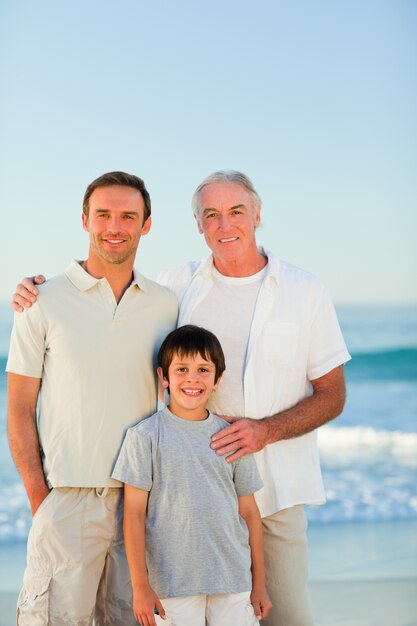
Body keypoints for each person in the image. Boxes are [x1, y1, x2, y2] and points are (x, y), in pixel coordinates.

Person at [12, 170, 351, 626]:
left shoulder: (297, 292)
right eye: (211, 214)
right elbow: (26, 398)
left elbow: (332, 394)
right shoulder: (174, 288)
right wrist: (33, 289)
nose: (224, 224)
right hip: (163, 499)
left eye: (235, 212)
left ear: (257, 215)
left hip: (272, 491)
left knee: (286, 618)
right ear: (198, 224)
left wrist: (265, 431)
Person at [6, 171, 178, 625]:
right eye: (103, 214)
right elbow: (19, 406)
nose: (114, 226)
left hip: (142, 503)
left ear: (147, 224)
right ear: (85, 220)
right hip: (67, 500)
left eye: (128, 216)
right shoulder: (41, 300)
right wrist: (41, 500)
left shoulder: (167, 305)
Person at [112, 324, 272, 626]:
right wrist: (140, 587)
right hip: (172, 584)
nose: (192, 379)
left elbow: (250, 513)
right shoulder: (145, 436)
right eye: (182, 369)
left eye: (203, 370)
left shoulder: (230, 437)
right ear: (164, 377)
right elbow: (133, 513)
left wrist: (259, 584)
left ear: (217, 379)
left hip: (233, 580)